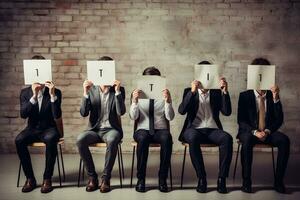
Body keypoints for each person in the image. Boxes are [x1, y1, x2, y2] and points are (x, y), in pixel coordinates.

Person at [178, 61, 233, 193]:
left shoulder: (216, 93)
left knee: (227, 138)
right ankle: (202, 178)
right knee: (192, 137)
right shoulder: (189, 91)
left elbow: (227, 112)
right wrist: (192, 92)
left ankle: (222, 180)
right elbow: (181, 110)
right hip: (194, 129)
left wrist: (225, 92)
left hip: (213, 130)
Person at [237, 58, 290, 193]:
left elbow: (279, 119)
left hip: (268, 132)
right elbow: (241, 121)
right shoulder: (244, 96)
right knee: (247, 141)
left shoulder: (273, 96)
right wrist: (254, 132)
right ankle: (246, 181)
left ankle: (278, 182)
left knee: (284, 140)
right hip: (249, 132)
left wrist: (276, 97)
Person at [76, 56, 126, 193]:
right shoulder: (91, 90)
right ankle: (92, 178)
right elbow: (83, 113)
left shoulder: (119, 90)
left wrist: (117, 92)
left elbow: (120, 111)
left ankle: (106, 178)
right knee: (80, 139)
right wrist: (85, 93)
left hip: (111, 129)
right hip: (94, 130)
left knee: (112, 139)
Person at [15, 55, 62, 193]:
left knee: (52, 138)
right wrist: (34, 97)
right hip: (32, 129)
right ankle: (30, 178)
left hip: (49, 128)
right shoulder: (25, 93)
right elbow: (23, 114)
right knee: (19, 140)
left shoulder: (55, 91)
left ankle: (47, 178)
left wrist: (53, 96)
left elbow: (56, 115)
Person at [129, 66, 175, 193]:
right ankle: (141, 179)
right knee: (142, 139)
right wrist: (134, 101)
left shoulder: (164, 93)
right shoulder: (137, 93)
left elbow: (170, 117)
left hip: (160, 129)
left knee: (167, 138)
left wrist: (168, 101)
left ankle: (162, 179)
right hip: (142, 129)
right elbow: (133, 117)